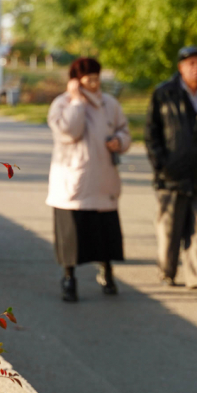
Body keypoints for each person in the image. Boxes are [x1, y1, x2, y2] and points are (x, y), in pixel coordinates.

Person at [144, 46, 197, 293]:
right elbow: (151, 134)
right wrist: (162, 165)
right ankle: (167, 271)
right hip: (171, 174)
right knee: (170, 228)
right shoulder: (164, 94)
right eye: (191, 63)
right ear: (181, 67)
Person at [46, 58, 132, 302]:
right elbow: (69, 132)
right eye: (88, 79)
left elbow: (124, 130)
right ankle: (69, 278)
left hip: (103, 179)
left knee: (104, 232)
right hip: (73, 182)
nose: (94, 84)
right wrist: (76, 101)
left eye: (97, 78)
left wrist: (120, 142)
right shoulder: (62, 104)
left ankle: (107, 272)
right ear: (75, 80)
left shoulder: (109, 104)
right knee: (72, 236)